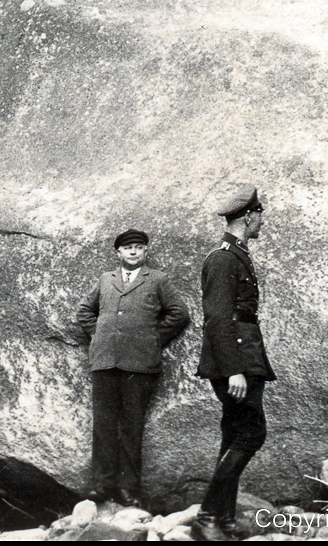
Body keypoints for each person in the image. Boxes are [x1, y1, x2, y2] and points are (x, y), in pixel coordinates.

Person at [76, 229, 190, 507]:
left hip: (139, 365)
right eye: (127, 248)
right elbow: (83, 311)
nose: (133, 252)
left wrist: (152, 339)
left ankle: (128, 488)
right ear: (118, 253)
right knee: (103, 425)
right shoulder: (106, 280)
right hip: (105, 362)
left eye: (139, 247)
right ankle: (102, 486)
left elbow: (180, 313)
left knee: (131, 427)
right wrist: (102, 335)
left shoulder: (158, 280)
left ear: (146, 252)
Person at [192, 186, 276, 541]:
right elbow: (217, 319)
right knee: (252, 432)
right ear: (248, 216)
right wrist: (233, 370)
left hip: (244, 357)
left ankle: (223, 519)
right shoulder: (223, 258)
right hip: (236, 362)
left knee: (233, 434)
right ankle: (207, 515)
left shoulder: (236, 253)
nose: (262, 223)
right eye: (260, 217)